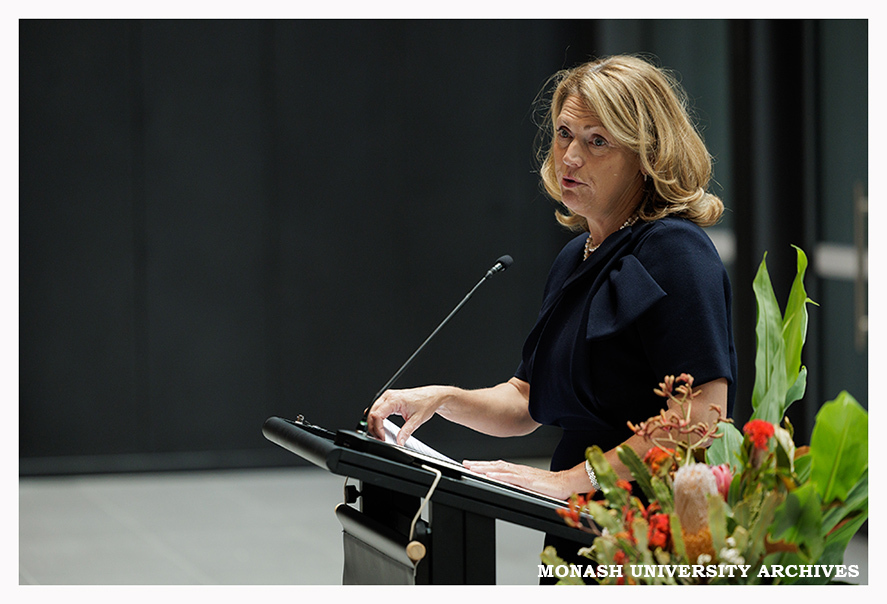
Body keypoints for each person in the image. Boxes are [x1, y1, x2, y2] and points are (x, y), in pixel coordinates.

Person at [366, 54, 737, 573]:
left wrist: (569, 481)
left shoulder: (675, 252)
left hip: (651, 525)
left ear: (647, 153)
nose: (570, 157)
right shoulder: (576, 257)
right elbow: (527, 400)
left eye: (597, 140)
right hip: (572, 519)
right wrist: (444, 399)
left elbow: (699, 416)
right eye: (564, 134)